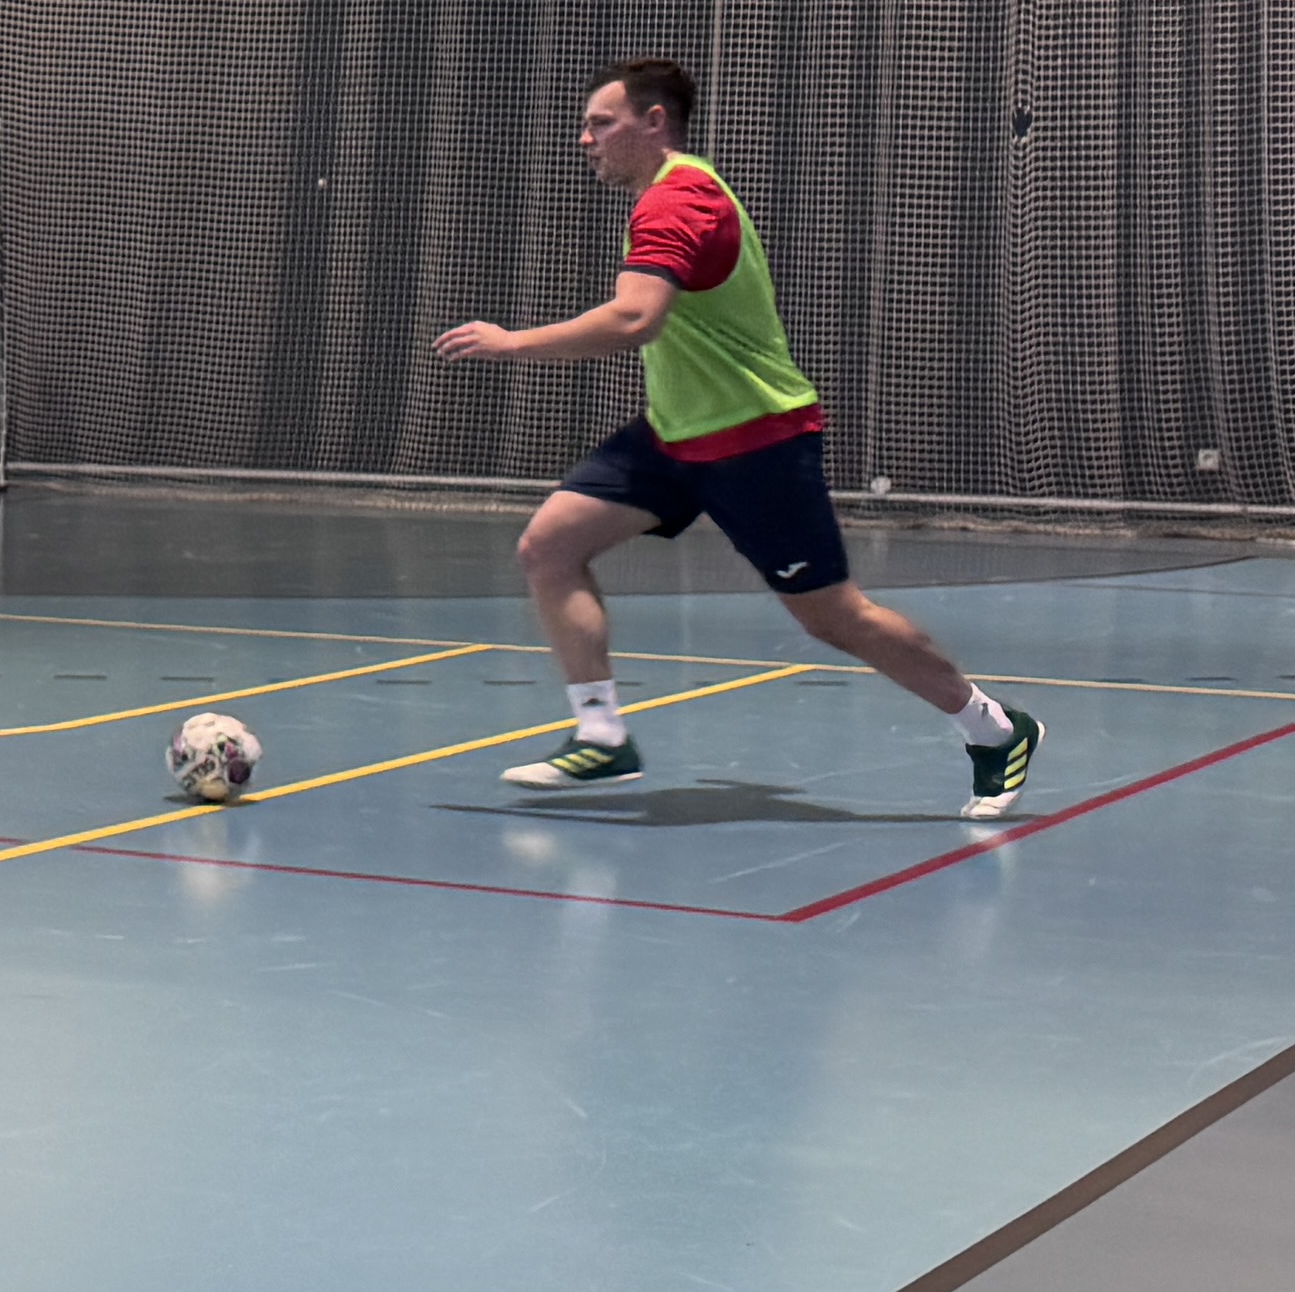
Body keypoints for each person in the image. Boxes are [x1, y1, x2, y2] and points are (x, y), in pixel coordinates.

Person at [433, 54, 1040, 815]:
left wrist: (512, 343)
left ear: (654, 123)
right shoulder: (667, 194)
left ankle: (994, 729)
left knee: (834, 618)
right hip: (674, 434)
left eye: (601, 123)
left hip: (755, 441)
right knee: (548, 548)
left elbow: (635, 317)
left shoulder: (679, 199)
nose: (585, 139)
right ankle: (602, 737)